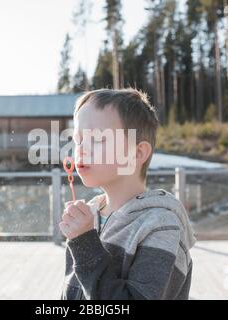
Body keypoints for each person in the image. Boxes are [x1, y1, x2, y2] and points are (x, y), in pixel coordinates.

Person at [60, 88, 196, 300]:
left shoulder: (160, 226)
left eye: (96, 139)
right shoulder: (90, 216)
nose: (81, 149)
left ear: (137, 153)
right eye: (78, 140)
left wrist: (84, 243)